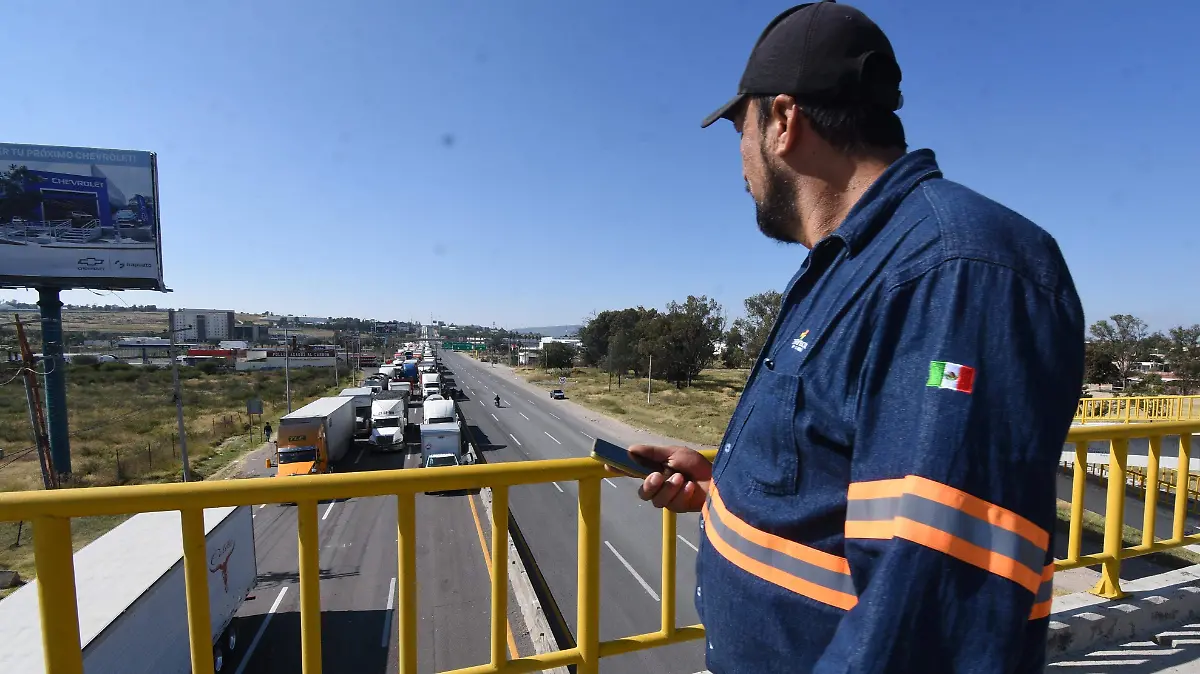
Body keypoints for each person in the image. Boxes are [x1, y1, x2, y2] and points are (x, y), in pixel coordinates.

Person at [625, 3, 1084, 672]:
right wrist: (728, 488)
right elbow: (848, 477)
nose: (741, 160)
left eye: (738, 127)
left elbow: (930, 607)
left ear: (783, 122)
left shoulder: (957, 272)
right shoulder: (852, 265)